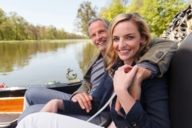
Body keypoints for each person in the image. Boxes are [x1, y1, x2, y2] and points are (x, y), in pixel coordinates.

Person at [16, 13, 170, 128]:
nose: (121, 45)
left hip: (104, 121)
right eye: (116, 39)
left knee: (32, 120)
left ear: (142, 39)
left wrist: (123, 92)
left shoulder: (149, 73)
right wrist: (58, 103)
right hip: (97, 113)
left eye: (129, 37)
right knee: (33, 112)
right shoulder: (116, 68)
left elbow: (167, 44)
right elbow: (96, 102)